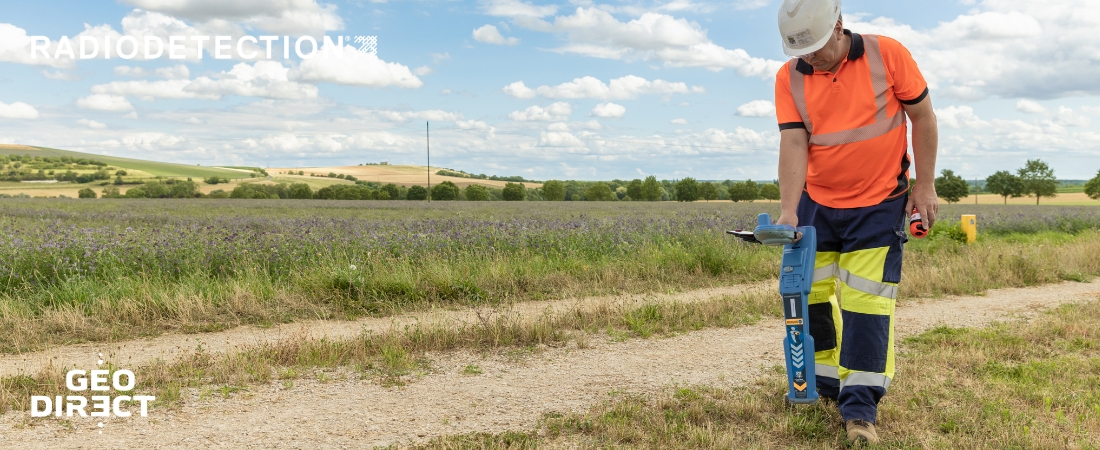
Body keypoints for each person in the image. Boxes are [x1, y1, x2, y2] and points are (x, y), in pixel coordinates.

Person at [772, 0, 939, 444]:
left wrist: (925, 185)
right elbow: (793, 142)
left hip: (879, 203)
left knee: (866, 306)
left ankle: (860, 408)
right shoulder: (789, 77)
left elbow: (922, 117)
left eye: (818, 49)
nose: (811, 59)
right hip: (816, 204)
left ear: (840, 27)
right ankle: (826, 385)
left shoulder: (888, 55)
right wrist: (789, 211)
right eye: (801, 52)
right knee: (812, 298)